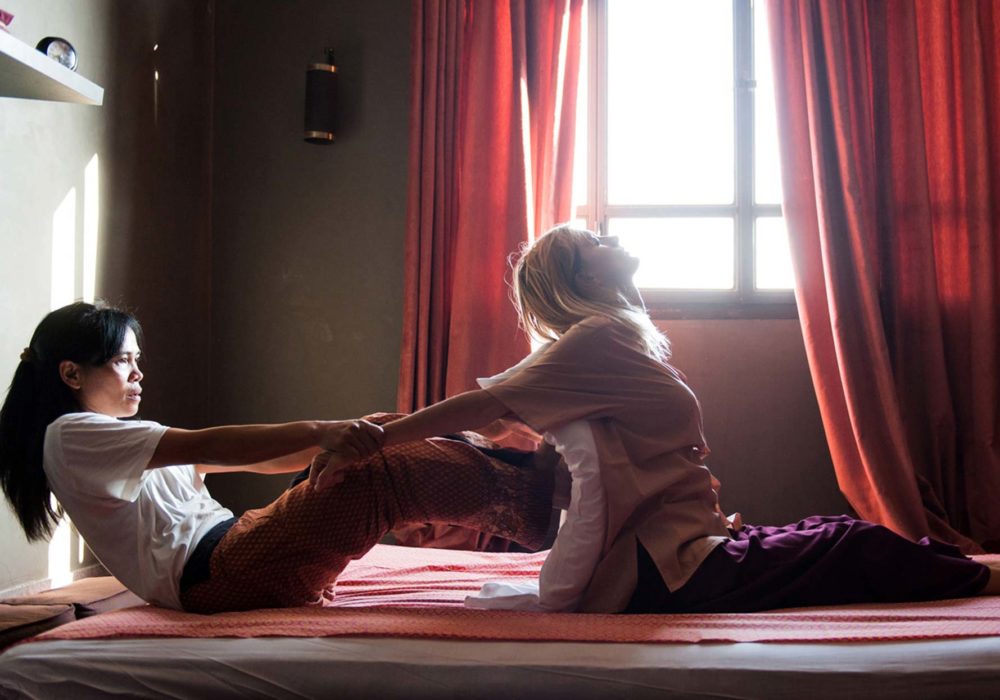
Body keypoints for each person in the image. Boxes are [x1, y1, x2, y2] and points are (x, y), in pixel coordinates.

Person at [312, 224, 1000, 614]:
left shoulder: (615, 339)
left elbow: (500, 411)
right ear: (584, 278)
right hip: (671, 567)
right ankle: (984, 583)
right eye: (593, 240)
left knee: (835, 532)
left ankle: (968, 569)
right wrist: (375, 438)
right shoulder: (594, 339)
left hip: (691, 544)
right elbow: (486, 404)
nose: (608, 235)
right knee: (854, 543)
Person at [0, 302, 555, 614]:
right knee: (380, 469)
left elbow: (260, 461)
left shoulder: (113, 440)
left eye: (136, 359)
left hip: (238, 551)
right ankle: (541, 503)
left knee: (378, 434)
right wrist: (328, 433)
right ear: (72, 374)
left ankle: (527, 472)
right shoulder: (69, 437)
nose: (139, 372)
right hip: (217, 576)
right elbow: (209, 444)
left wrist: (345, 436)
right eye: (124, 361)